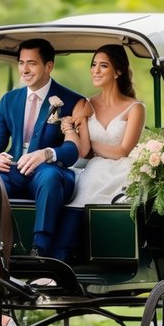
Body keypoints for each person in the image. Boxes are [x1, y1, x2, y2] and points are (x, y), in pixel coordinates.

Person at [0, 39, 84, 257]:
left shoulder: (71, 100)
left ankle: (40, 249)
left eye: (32, 63)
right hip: (15, 170)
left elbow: (74, 150)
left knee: (49, 178)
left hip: (51, 172)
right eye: (21, 63)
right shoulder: (9, 100)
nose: (24, 70)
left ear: (49, 66)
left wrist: (46, 154)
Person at [65, 45, 146, 207]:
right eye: (93, 65)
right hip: (91, 170)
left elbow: (123, 151)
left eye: (103, 66)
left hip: (122, 170)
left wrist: (91, 146)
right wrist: (70, 127)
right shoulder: (84, 104)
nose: (96, 70)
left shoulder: (135, 108)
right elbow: (83, 151)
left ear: (118, 72)